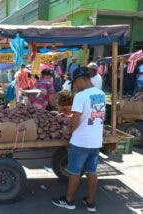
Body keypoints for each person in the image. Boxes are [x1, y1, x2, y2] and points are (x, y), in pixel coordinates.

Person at [52, 67, 105, 213]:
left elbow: (75, 121)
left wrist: (66, 132)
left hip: (81, 141)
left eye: (75, 82)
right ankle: (90, 202)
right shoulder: (100, 94)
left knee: (75, 172)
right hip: (95, 140)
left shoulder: (81, 96)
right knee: (92, 171)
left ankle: (69, 201)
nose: (74, 85)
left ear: (81, 79)